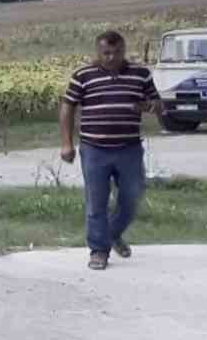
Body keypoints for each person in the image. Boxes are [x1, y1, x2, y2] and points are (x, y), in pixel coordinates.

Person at [59, 30, 160, 270]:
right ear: (98, 52)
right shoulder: (83, 76)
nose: (111, 57)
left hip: (129, 149)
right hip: (95, 149)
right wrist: (66, 143)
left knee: (131, 198)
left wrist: (150, 106)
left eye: (117, 52)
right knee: (96, 202)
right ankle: (98, 251)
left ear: (124, 51)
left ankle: (112, 233)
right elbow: (67, 107)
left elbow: (157, 104)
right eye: (106, 53)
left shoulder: (141, 74)